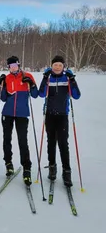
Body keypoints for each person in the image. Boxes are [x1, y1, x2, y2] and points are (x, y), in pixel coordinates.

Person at [38, 55, 81, 187]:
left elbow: (76, 95)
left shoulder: (67, 78)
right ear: (51, 66)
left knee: (63, 143)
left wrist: (73, 80)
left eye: (60, 65)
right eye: (55, 65)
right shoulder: (49, 78)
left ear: (63, 66)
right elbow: (41, 94)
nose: (57, 67)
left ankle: (66, 172)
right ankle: (52, 168)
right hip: (50, 115)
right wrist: (45, 78)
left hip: (62, 115)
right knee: (51, 143)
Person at [0, 56, 38, 186]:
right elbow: (3, 99)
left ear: (19, 65)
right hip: (7, 113)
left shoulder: (28, 76)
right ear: (8, 67)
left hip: (22, 114)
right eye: (11, 66)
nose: (13, 68)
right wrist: (2, 85)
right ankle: (8, 163)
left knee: (22, 141)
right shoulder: (7, 78)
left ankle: (27, 168)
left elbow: (35, 94)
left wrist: (31, 84)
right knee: (6, 139)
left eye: (15, 65)